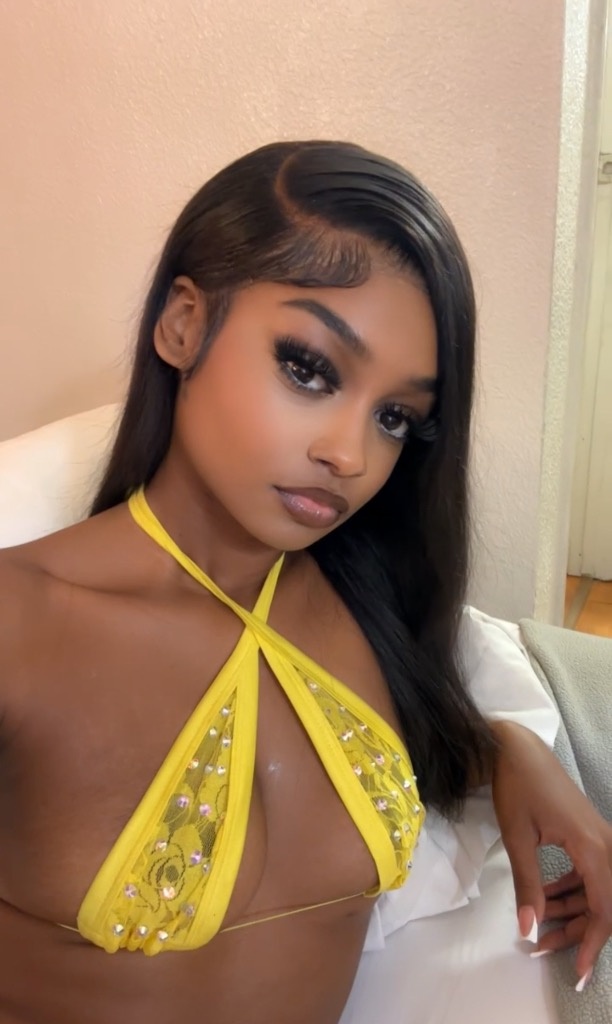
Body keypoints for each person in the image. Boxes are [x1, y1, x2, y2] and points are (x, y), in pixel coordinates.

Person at [0, 140, 610, 1024]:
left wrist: (518, 755)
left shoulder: (372, 605)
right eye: (309, 368)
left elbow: (452, 715)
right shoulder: (22, 625)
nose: (350, 454)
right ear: (183, 324)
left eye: (395, 417)